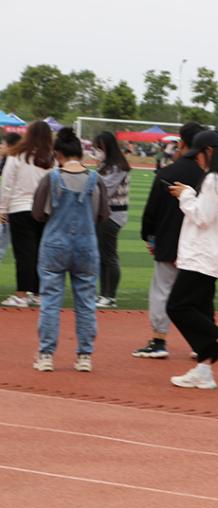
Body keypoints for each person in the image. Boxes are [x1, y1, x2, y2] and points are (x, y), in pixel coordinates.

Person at [30, 127, 110, 372]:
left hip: (55, 244)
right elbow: (103, 214)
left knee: (50, 301)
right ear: (81, 153)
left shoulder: (52, 178)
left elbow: (37, 213)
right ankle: (84, 355)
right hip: (86, 246)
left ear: (58, 154)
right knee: (85, 302)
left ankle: (46, 355)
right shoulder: (96, 180)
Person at [166, 131, 218, 389]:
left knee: (177, 307)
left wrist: (185, 196)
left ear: (208, 151)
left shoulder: (214, 180)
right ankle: (204, 369)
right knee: (202, 312)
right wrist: (189, 193)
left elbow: (202, 216)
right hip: (208, 256)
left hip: (201, 257)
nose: (196, 160)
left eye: (197, 154)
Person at [133, 122, 206, 359]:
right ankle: (199, 343)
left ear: (182, 143)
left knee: (162, 290)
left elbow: (150, 211)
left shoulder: (167, 173)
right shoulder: (209, 177)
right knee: (195, 296)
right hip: (197, 245)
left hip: (168, 241)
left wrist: (148, 236)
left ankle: (158, 340)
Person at [0, 121, 54, 308]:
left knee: (23, 254)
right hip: (44, 210)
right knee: (41, 253)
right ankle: (38, 294)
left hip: (19, 208)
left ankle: (21, 294)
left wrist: (2, 209)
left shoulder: (16, 155)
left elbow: (7, 184)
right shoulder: (50, 158)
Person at [92, 132, 131, 309]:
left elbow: (104, 189)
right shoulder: (107, 165)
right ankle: (104, 294)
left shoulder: (117, 167)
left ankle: (110, 295)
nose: (97, 151)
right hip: (104, 215)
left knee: (109, 256)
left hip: (112, 215)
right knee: (103, 256)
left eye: (99, 148)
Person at [0, 132, 23, 266]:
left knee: (4, 245)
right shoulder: (6, 161)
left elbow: (8, 188)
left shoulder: (14, 163)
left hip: (8, 211)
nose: (1, 146)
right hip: (9, 210)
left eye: (3, 144)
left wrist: (3, 210)